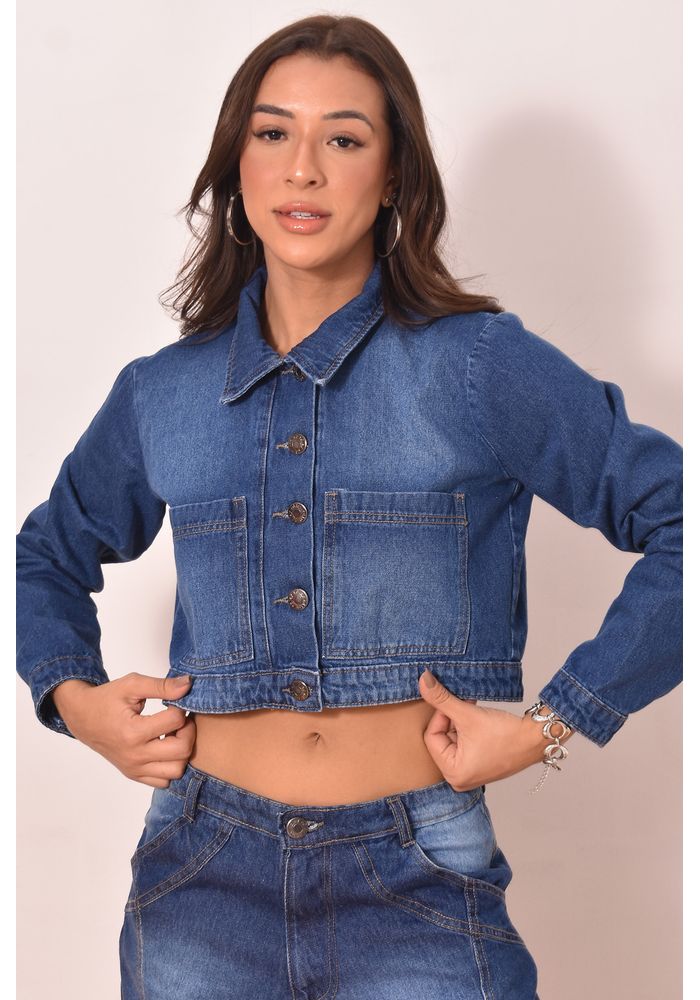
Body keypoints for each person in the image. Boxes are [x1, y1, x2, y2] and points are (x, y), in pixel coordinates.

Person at [16, 13, 682, 999]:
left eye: (344, 138)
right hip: (199, 881)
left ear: (394, 175)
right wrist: (75, 700)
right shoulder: (164, 391)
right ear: (236, 166)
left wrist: (552, 723)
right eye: (273, 133)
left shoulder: (476, 367)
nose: (303, 170)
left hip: (417, 880)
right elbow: (47, 553)